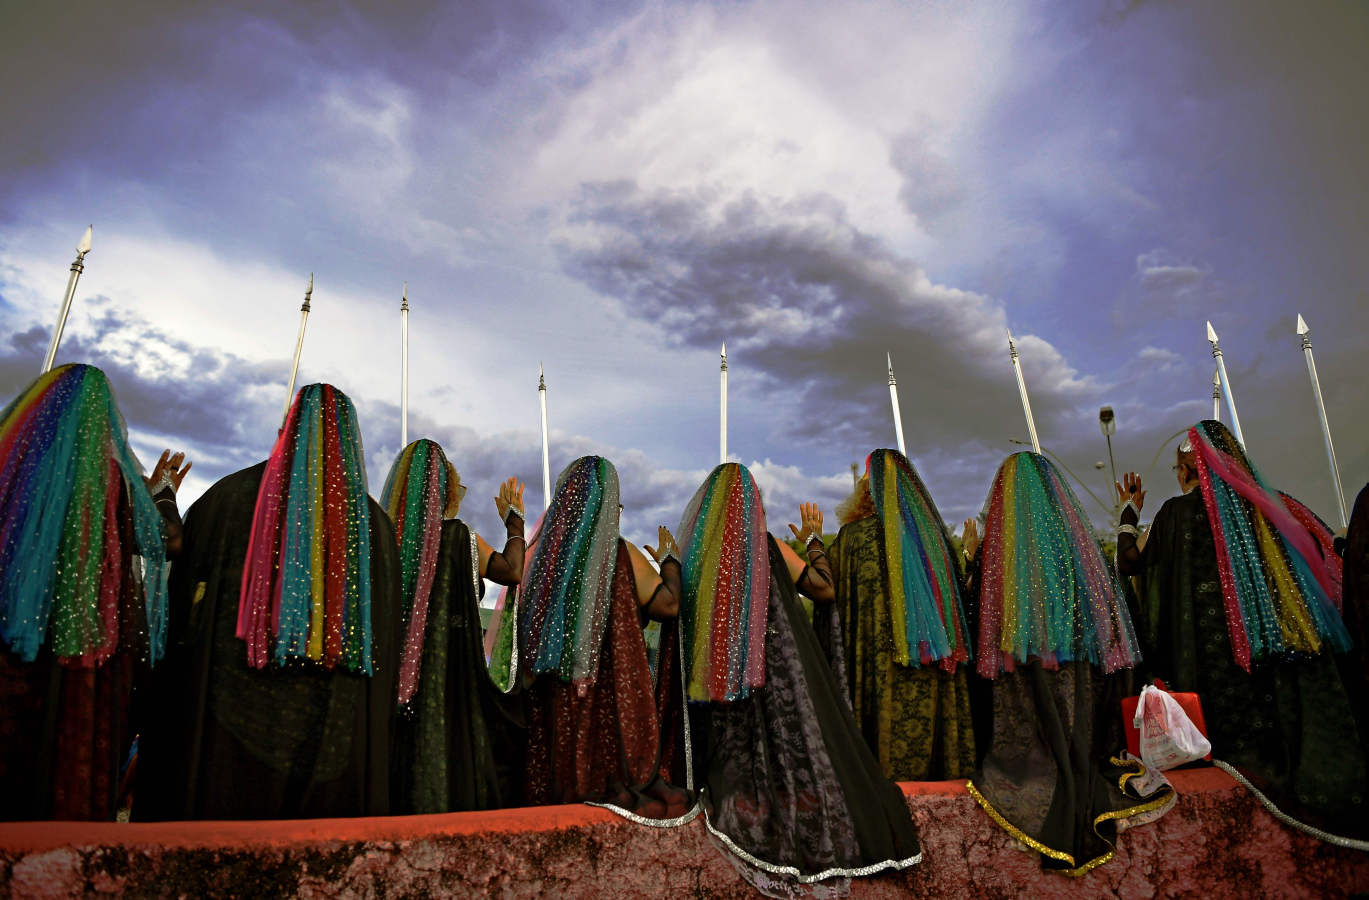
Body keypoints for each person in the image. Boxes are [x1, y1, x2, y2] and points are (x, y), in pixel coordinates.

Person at [135, 383, 400, 820]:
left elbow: (179, 572)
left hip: (229, 725)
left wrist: (164, 498)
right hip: (332, 732)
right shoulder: (372, 523)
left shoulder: (230, 495)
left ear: (287, 427)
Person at [672, 462, 921, 898]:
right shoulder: (765, 547)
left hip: (719, 685)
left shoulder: (699, 559)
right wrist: (812, 542)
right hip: (779, 673)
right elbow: (824, 588)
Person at [1116, 420, 1367, 845]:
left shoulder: (1175, 514)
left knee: (1221, 749)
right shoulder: (1262, 508)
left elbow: (1129, 562)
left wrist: (1129, 513)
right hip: (1267, 655)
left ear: (1185, 471)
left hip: (1203, 660)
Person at [964, 450, 1171, 876]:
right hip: (1078, 670)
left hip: (1027, 674)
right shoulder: (1074, 544)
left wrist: (972, 561)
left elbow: (980, 618)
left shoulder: (1001, 550)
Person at [0, 364, 182, 821]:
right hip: (73, 654)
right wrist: (160, 495)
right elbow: (164, 540)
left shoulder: (11, 465)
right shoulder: (104, 479)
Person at [504, 455, 689, 819]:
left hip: (550, 697)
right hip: (606, 701)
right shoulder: (619, 553)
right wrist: (670, 562)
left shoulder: (539, 558)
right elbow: (668, 606)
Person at [380, 439, 527, 813]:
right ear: (447, 491)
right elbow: (512, 571)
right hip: (449, 677)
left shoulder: (381, 534)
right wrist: (514, 521)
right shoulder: (460, 537)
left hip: (387, 677)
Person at [826, 449, 975, 782]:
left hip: (878, 670)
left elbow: (826, 595)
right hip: (933, 671)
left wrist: (812, 541)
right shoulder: (934, 542)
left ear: (866, 491)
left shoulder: (852, 539)